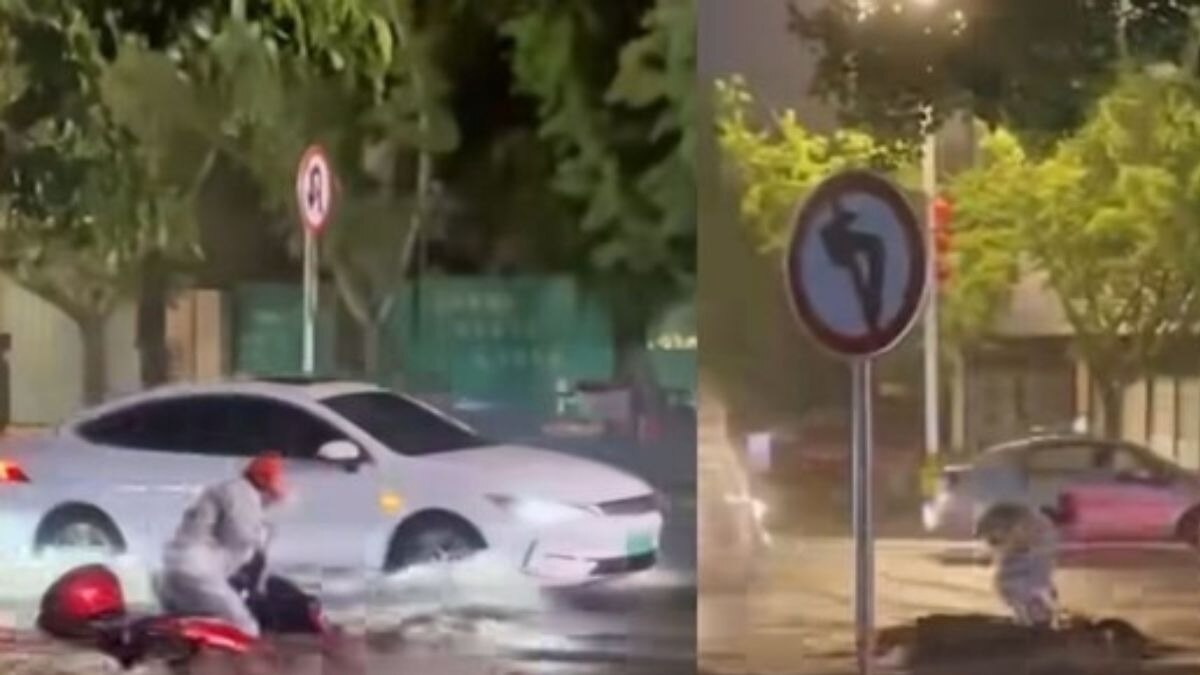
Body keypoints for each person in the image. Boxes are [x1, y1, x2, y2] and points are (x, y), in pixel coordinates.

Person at [158, 451, 287, 638]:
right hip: (197, 574)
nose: (270, 501)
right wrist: (262, 536)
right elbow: (241, 535)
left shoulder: (225, 490)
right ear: (263, 481)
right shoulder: (243, 493)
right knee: (245, 629)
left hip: (173, 575)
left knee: (182, 632)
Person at [979, 503, 1059, 627]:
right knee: (1009, 585)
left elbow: (1019, 541)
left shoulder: (1034, 530)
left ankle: (1036, 611)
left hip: (1032, 553)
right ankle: (1033, 611)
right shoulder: (1026, 527)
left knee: (1015, 584)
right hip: (1027, 552)